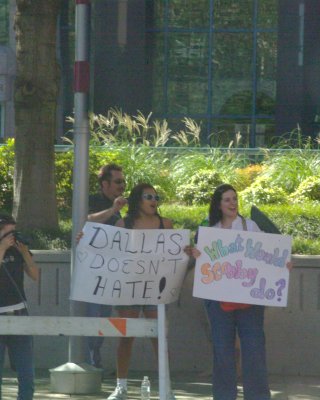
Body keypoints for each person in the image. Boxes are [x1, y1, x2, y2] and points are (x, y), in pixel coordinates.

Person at [186, 184, 293, 400]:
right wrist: (195, 253)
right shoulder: (209, 229)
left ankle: (258, 396)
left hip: (250, 301)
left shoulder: (249, 226)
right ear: (218, 204)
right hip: (218, 301)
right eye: (227, 199)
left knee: (254, 350)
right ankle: (224, 396)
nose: (232, 203)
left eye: (234, 198)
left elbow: (270, 253)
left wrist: (282, 263)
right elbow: (201, 261)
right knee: (223, 351)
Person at [107, 183, 173, 400]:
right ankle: (121, 386)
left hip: (156, 288)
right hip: (129, 287)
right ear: (137, 200)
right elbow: (106, 249)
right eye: (148, 196)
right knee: (126, 336)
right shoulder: (123, 224)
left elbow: (176, 254)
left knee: (159, 338)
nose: (154, 200)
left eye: (156, 196)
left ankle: (166, 387)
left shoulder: (166, 225)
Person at [86, 163, 127, 368]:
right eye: (118, 181)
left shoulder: (119, 207)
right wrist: (113, 210)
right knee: (92, 319)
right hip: (91, 273)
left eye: (123, 181)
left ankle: (96, 363)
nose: (122, 185)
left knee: (103, 318)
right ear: (105, 183)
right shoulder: (93, 200)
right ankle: (88, 364)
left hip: (110, 273)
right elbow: (86, 221)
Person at [0, 214, 39, 400]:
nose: (13, 236)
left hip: (19, 313)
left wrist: (24, 253)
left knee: (26, 373)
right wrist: (2, 248)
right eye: (9, 232)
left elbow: (34, 275)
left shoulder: (17, 250)